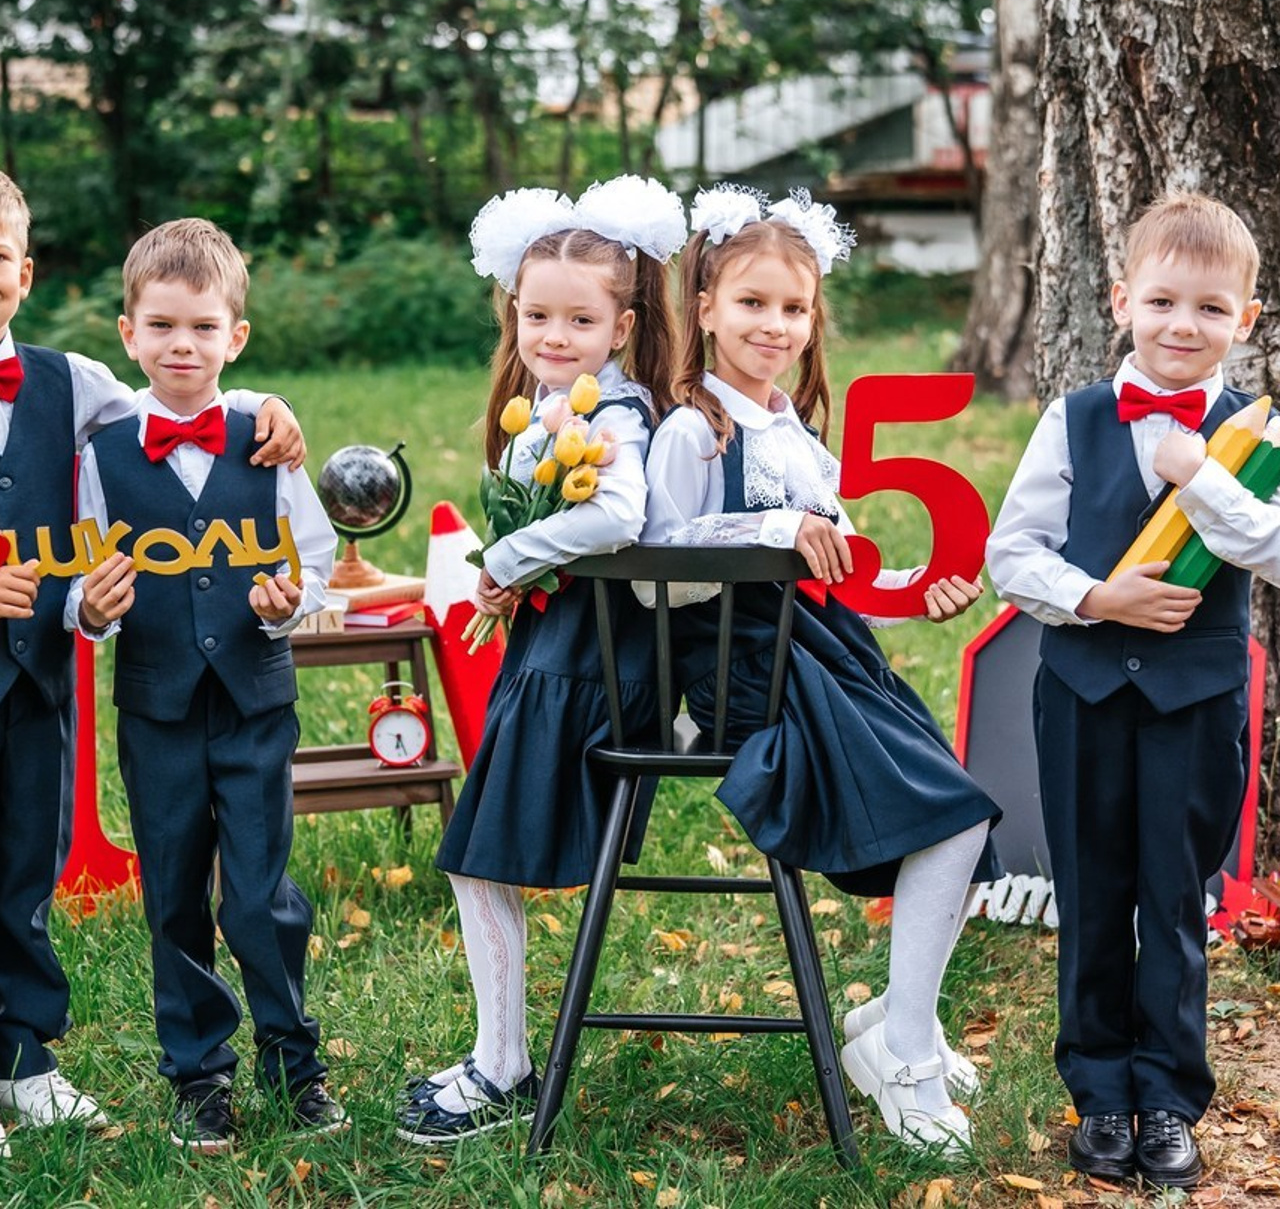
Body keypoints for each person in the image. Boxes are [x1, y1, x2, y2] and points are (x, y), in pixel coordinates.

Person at [641, 185, 1001, 1156]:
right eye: (751, 301)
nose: (773, 324)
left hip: (829, 654)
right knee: (953, 813)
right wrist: (771, 529)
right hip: (746, 677)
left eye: (792, 308)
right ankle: (906, 1052)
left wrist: (911, 586)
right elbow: (652, 568)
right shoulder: (691, 430)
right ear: (704, 305)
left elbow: (841, 562)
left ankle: (896, 1019)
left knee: (964, 818)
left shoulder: (795, 433)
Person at [0, 174, 304, 1157]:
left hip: (31, 676)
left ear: (26, 271)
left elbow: (176, 403)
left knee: (22, 868)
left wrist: (266, 406)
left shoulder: (75, 385)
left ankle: (24, 1058)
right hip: (138, 688)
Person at [986, 192, 1270, 1190]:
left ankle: (1166, 1096)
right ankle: (1099, 1092)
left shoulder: (1251, 435)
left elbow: (1269, 549)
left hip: (1194, 702)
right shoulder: (1071, 421)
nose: (1180, 326)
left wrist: (1200, 477)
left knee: (1174, 896)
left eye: (1206, 308)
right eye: (1160, 301)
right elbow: (1009, 554)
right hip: (1081, 693)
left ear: (1244, 316)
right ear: (1120, 300)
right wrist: (1097, 596)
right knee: (1092, 894)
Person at [395, 177, 686, 1145]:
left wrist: (506, 559)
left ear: (623, 322)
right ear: (511, 312)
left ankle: (501, 1063)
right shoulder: (551, 405)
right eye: (536, 314)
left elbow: (619, 515)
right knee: (479, 864)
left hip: (586, 675)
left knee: (479, 864)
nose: (553, 334)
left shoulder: (616, 415)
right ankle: (499, 1052)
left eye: (578, 317)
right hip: (554, 657)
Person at [66, 217, 342, 1154]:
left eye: (203, 328)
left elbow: (314, 553)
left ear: (237, 337)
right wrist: (89, 610)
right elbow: (78, 574)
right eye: (162, 327)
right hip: (156, 706)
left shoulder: (266, 436)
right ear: (129, 333)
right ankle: (197, 1076)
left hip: (255, 703)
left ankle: (293, 1061)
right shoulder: (100, 451)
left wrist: (286, 602)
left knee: (261, 893)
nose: (183, 346)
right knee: (174, 891)